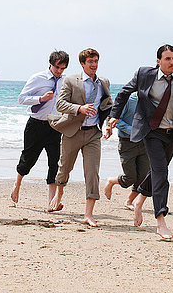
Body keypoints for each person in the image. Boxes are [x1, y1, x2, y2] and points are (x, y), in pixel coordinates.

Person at [107, 44, 173, 239]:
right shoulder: (144, 74)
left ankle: (139, 200)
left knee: (157, 171)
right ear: (158, 61)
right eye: (168, 59)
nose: (172, 62)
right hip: (151, 130)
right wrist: (114, 116)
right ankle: (160, 220)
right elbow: (123, 93)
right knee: (161, 173)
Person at [48, 48, 113, 227]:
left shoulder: (104, 82)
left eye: (96, 61)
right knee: (64, 168)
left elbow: (107, 107)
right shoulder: (70, 81)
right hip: (73, 132)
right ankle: (59, 192)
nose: (94, 65)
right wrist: (80, 108)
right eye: (90, 61)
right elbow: (60, 104)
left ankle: (89, 214)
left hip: (93, 133)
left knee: (92, 172)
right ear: (82, 64)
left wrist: (108, 125)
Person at [10, 51, 69, 207]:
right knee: (28, 159)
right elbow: (21, 98)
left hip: (55, 125)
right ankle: (17, 185)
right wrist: (40, 99)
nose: (59, 71)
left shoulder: (66, 81)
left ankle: (51, 201)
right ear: (50, 64)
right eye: (57, 67)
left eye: (62, 68)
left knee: (54, 162)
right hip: (35, 125)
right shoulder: (38, 78)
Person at [103, 93, 150, 210]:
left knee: (143, 176)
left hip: (145, 142)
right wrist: (134, 131)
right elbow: (116, 120)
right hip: (127, 142)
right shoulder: (128, 99)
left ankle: (129, 201)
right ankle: (111, 181)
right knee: (130, 177)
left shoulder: (153, 99)